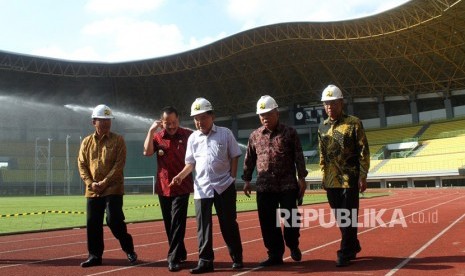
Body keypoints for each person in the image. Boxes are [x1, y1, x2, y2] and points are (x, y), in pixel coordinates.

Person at [170, 97, 243, 274]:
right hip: (202, 188)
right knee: (203, 226)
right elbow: (190, 163)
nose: (199, 122)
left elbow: (235, 155)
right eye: (196, 118)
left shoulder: (225, 133)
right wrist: (180, 176)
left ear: (212, 117)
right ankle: (205, 260)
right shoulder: (193, 138)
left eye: (203, 117)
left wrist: (232, 176)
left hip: (224, 185)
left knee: (228, 223)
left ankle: (237, 256)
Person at [242, 95, 308, 267]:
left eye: (268, 114)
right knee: (267, 223)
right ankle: (275, 254)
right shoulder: (254, 136)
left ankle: (293, 244)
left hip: (287, 184)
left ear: (277, 113)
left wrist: (302, 178)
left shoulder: (290, 133)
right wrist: (247, 179)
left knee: (291, 219)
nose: (265, 117)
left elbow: (299, 156)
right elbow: (249, 159)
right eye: (261, 115)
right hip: (264, 186)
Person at [77, 104, 137, 268]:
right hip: (93, 190)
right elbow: (81, 164)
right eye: (102, 120)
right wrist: (90, 183)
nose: (106, 123)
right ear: (93, 122)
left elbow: (119, 165)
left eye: (108, 120)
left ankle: (128, 246)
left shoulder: (118, 140)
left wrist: (104, 182)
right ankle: (94, 256)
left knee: (114, 220)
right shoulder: (86, 142)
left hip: (113, 188)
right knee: (92, 223)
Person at [317, 84, 370, 267]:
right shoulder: (322, 127)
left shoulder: (354, 123)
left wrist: (363, 175)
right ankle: (353, 244)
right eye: (326, 104)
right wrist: (323, 175)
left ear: (341, 103)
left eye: (333, 103)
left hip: (350, 177)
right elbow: (322, 154)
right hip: (331, 179)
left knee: (348, 215)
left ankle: (345, 252)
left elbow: (363, 150)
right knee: (340, 217)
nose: (329, 107)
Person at [143, 106, 193, 272]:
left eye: (174, 122)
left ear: (178, 120)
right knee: (169, 223)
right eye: (167, 123)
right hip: (163, 187)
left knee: (177, 222)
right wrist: (151, 132)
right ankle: (181, 251)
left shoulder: (188, 135)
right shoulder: (157, 137)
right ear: (161, 122)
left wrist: (182, 176)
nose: (171, 126)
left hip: (182, 186)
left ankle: (173, 258)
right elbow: (147, 152)